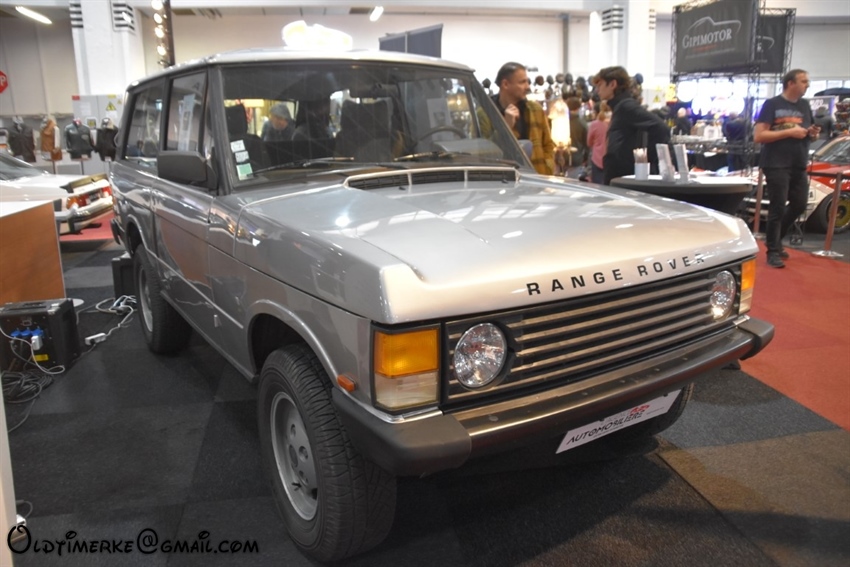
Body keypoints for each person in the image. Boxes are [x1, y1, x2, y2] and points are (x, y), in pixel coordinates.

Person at [754, 68, 820, 269]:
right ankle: (773, 251)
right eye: (803, 81)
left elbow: (808, 133)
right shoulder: (772, 104)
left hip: (798, 163)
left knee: (799, 205)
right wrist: (789, 132)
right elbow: (759, 136)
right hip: (776, 163)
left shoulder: (805, 105)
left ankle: (774, 240)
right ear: (791, 83)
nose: (807, 84)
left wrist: (812, 134)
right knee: (777, 207)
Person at [592, 66, 670, 185]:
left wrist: (645, 160)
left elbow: (661, 128)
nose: (597, 90)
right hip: (621, 177)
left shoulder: (626, 106)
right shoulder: (621, 107)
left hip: (623, 178)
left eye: (600, 85)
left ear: (612, 84)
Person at [490, 62, 554, 175]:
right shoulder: (486, 112)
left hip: (537, 178)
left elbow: (548, 144)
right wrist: (506, 126)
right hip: (504, 178)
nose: (528, 87)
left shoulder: (535, 110)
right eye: (522, 82)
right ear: (505, 84)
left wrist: (547, 166)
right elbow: (484, 152)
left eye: (527, 82)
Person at [587, 101, 611, 184]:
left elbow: (589, 143)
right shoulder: (614, 123)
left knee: (596, 186)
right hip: (611, 158)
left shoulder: (594, 124)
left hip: (597, 158)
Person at [566, 96, 588, 174]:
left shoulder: (560, 121)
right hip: (577, 158)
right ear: (578, 108)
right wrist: (585, 159)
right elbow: (587, 145)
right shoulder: (582, 123)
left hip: (561, 158)